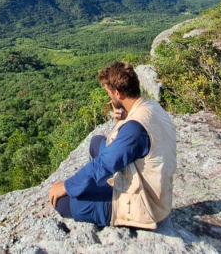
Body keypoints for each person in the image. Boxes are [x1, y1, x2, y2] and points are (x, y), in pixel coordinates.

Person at [48, 61, 177, 229]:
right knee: (96, 143)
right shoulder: (149, 106)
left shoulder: (135, 130)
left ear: (118, 93)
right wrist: (123, 119)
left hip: (145, 204)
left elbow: (104, 164)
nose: (109, 97)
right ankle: (100, 187)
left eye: (109, 93)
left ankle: (108, 199)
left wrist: (67, 186)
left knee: (63, 202)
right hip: (154, 186)